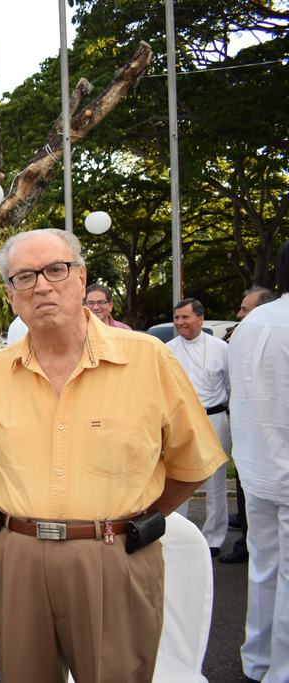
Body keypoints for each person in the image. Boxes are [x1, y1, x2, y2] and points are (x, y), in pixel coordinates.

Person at [0, 228, 226, 683]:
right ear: (11, 295)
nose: (41, 286)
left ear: (81, 278)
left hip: (116, 555)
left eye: (55, 270)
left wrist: (133, 518)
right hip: (19, 560)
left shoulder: (148, 359)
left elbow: (192, 462)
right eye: (25, 277)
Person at [228, 242, 289, 683]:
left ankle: (257, 658)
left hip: (256, 464)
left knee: (265, 566)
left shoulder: (251, 324)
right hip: (279, 460)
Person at [167, 298, 231, 556]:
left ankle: (214, 537)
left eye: (186, 317)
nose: (180, 322)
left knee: (215, 479)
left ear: (200, 318)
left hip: (214, 417)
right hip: (182, 420)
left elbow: (230, 385)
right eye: (177, 318)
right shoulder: (168, 349)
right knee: (180, 476)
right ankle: (179, 535)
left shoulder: (221, 348)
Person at [220, 285, 278, 565]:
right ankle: (245, 540)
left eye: (245, 309)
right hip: (249, 440)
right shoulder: (238, 338)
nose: (239, 314)